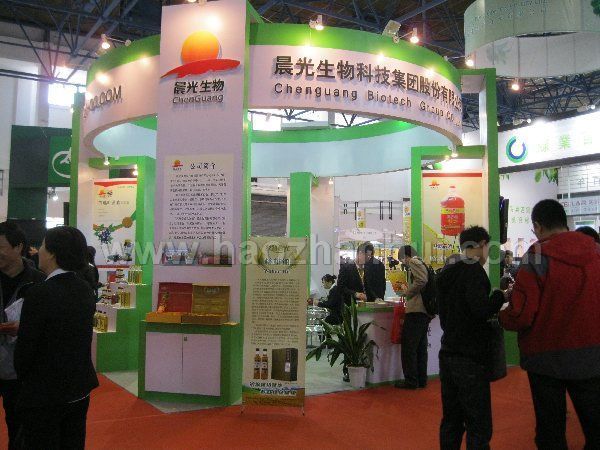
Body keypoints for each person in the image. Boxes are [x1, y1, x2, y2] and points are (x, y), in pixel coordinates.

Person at [499, 200, 600, 450]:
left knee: (551, 429)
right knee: (595, 425)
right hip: (592, 353)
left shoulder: (536, 256)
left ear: (538, 226)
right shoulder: (595, 252)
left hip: (545, 357)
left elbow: (522, 313)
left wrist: (502, 318)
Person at [15, 226, 99, 449]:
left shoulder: (39, 293)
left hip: (45, 392)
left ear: (52, 253)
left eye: (42, 246)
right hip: (78, 388)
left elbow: (26, 349)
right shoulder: (84, 289)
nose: (38, 251)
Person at [436, 226, 506, 450]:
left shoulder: (448, 270)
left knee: (452, 419)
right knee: (478, 422)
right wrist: (499, 296)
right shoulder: (473, 270)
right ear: (482, 244)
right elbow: (481, 310)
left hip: (448, 351)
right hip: (470, 356)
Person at [0, 222, 45, 449]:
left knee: (19, 429)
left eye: (1, 247)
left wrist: (26, 327)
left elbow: (47, 326)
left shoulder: (39, 282)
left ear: (18, 247)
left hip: (21, 371)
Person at [394, 245, 430, 390]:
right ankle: (421, 379)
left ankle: (411, 380)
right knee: (420, 347)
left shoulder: (414, 262)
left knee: (409, 347)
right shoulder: (421, 262)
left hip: (416, 310)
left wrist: (408, 292)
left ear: (405, 256)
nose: (402, 262)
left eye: (401, 259)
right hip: (423, 311)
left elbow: (422, 280)